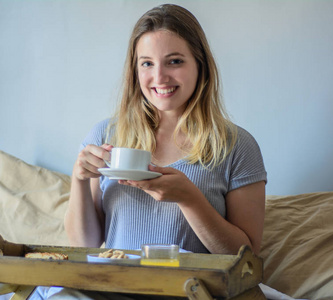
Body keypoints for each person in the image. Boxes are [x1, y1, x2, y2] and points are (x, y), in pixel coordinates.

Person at [64, 4, 267, 260]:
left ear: (200, 65)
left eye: (174, 61)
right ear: (135, 71)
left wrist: (190, 199)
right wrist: (79, 179)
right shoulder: (105, 134)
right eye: (147, 63)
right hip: (114, 287)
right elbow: (85, 245)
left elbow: (247, 259)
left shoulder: (237, 146)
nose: (159, 77)